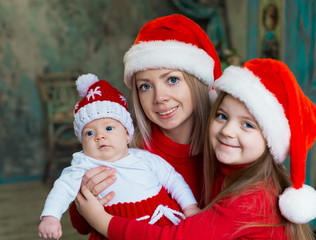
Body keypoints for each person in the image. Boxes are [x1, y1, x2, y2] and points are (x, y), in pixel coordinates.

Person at [75, 59, 316, 240]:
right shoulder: (129, 152)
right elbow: (83, 221)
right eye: (223, 116)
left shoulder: (250, 196)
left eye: (247, 124)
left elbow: (176, 237)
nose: (228, 131)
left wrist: (103, 221)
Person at [69, 14, 223, 234]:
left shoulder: (226, 148)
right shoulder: (128, 150)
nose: (159, 97)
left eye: (172, 80)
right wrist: (85, 193)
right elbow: (83, 226)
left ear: (198, 82)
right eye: (145, 86)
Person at [38, 74, 200, 240]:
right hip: (112, 230)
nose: (99, 136)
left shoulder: (145, 158)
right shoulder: (83, 166)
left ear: (127, 134)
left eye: (109, 128)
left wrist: (190, 207)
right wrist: (50, 217)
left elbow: (174, 181)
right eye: (89, 132)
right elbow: (61, 190)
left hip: (160, 221)